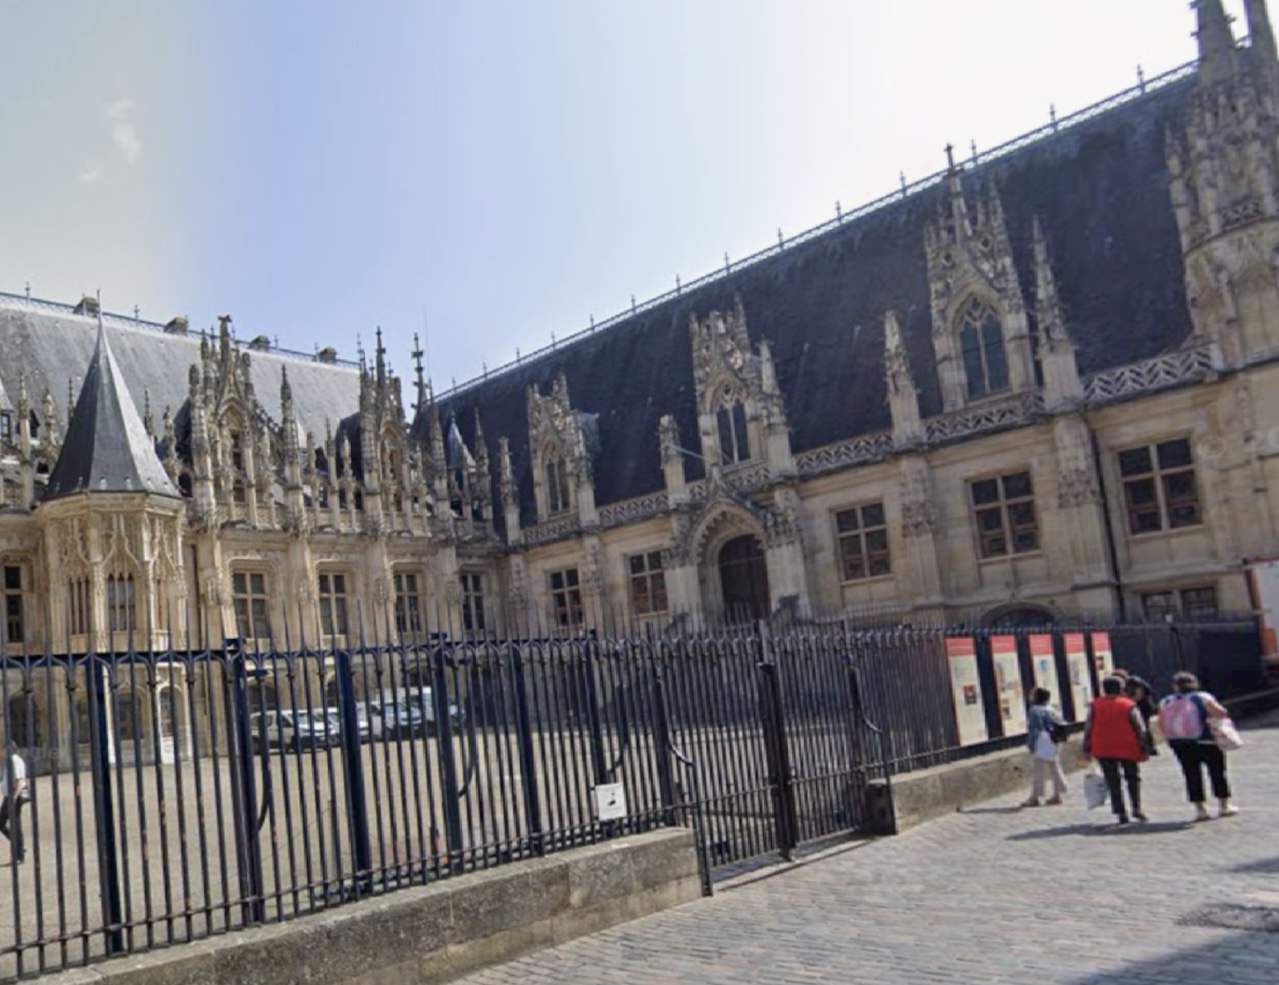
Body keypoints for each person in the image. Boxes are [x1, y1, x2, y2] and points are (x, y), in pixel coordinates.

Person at [1158, 671, 1237, 821]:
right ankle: (1224, 806)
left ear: (1175, 686)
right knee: (1217, 771)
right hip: (1206, 740)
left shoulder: (1166, 701)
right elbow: (1221, 713)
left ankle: (1200, 809)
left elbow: (1161, 723)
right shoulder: (1202, 697)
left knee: (1191, 774)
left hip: (1180, 743)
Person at [1083, 675, 1149, 824]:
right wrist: (1144, 746)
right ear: (1121, 689)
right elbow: (1139, 727)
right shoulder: (1128, 704)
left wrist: (1086, 747)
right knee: (1132, 777)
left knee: (1112, 779)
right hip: (1127, 745)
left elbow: (1088, 726)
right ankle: (1136, 808)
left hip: (1103, 746)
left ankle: (1120, 812)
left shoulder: (1095, 705)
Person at [1021, 687, 1068, 807]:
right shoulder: (1051, 709)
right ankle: (1058, 794)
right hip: (1053, 741)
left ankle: (1035, 797)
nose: (1029, 695)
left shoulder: (1034, 710)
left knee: (1038, 769)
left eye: (1032, 694)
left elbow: (1034, 730)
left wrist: (1031, 745)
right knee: (1055, 767)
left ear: (1037, 697)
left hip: (1040, 741)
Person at [0, 742, 27, 864]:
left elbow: (18, 780)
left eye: (2, 749)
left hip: (12, 797)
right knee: (5, 823)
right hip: (9, 796)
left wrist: (14, 798)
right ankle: (18, 845)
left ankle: (19, 854)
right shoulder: (12, 760)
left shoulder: (13, 760)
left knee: (14, 825)